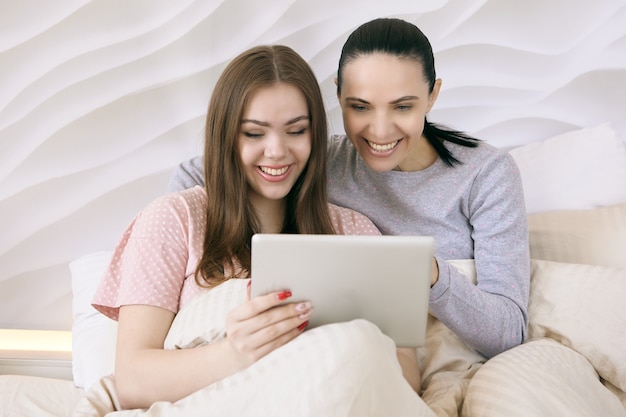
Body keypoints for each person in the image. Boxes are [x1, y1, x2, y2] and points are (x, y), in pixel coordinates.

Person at [90, 44, 428, 414]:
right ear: (226, 137)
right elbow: (133, 382)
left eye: (296, 131)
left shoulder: (354, 232)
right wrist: (236, 353)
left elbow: (402, 383)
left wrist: (324, 347)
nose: (277, 151)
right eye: (254, 134)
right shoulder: (174, 219)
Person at [168, 18, 530, 360]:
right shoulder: (318, 159)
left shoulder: (486, 174)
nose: (380, 130)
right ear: (339, 96)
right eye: (360, 107)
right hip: (350, 351)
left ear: (432, 95)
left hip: (443, 354)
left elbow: (510, 331)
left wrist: (429, 271)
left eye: (402, 107)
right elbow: (196, 174)